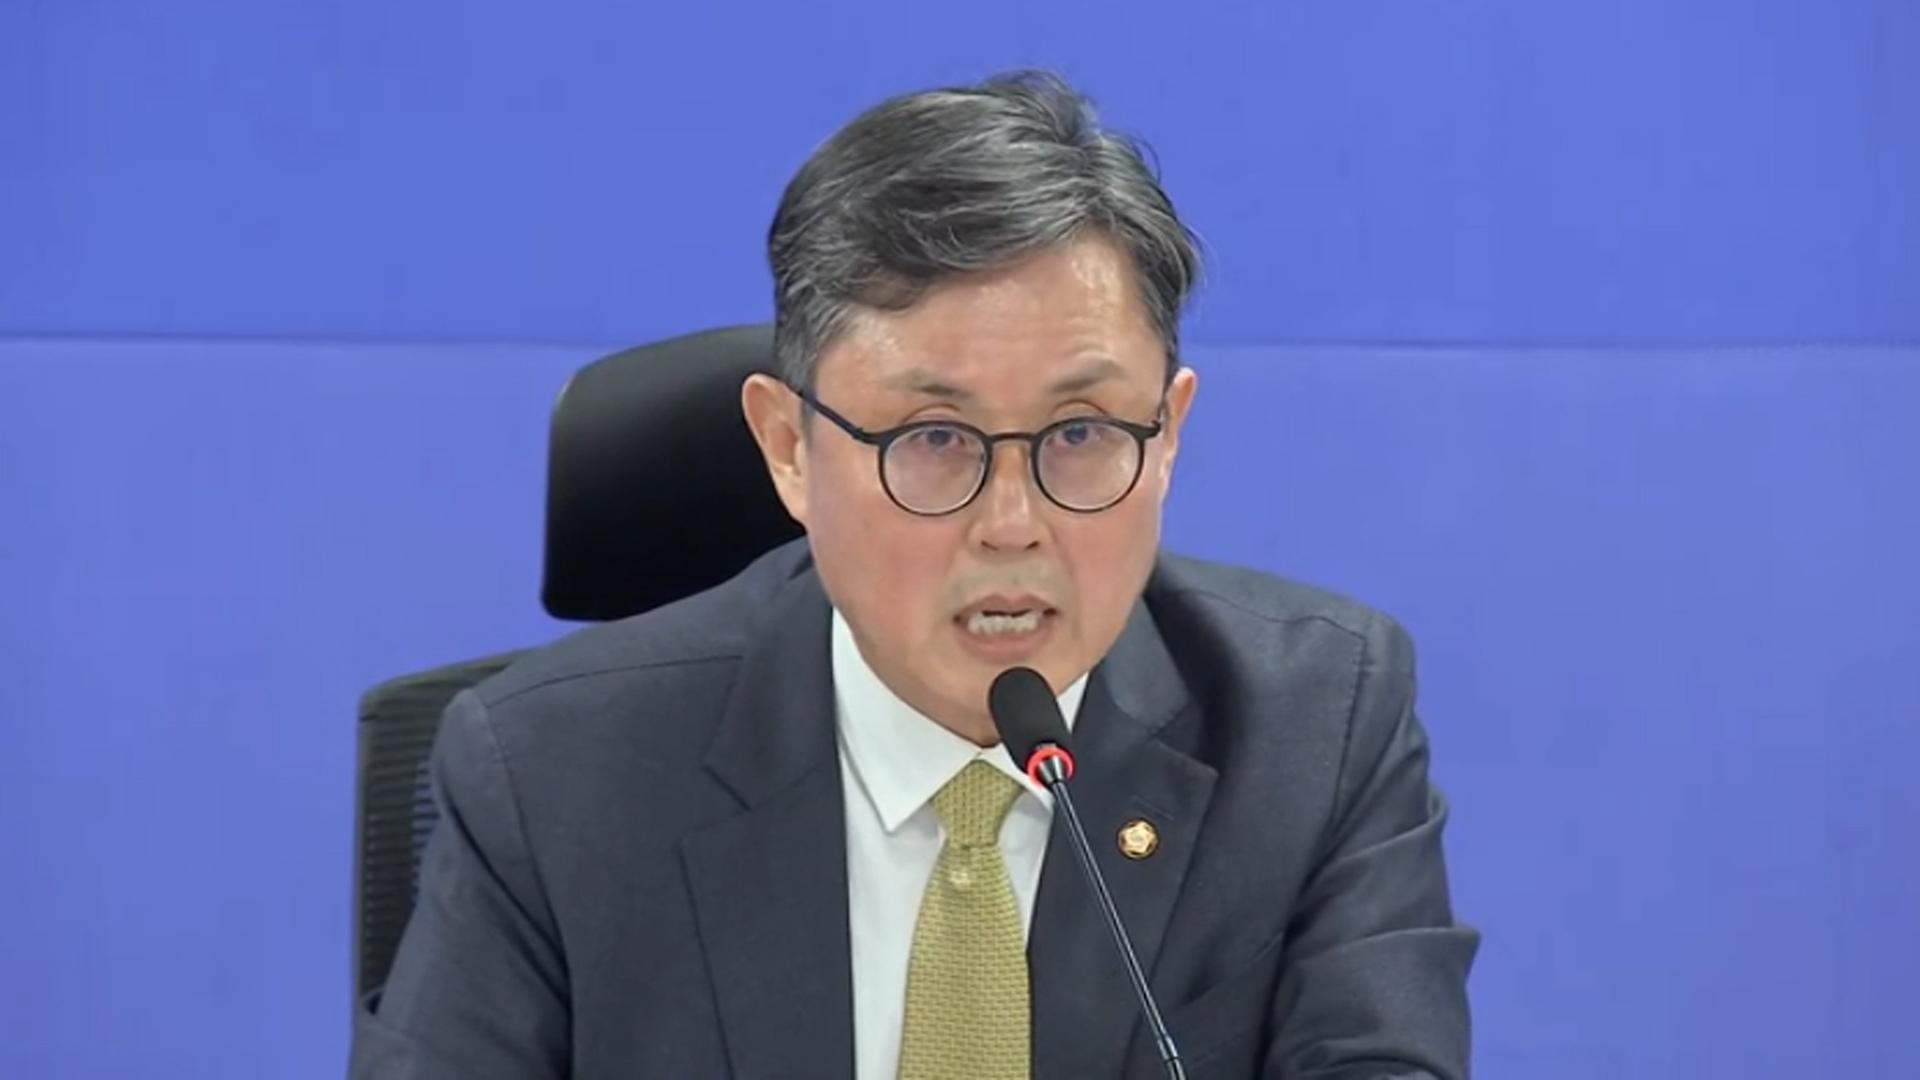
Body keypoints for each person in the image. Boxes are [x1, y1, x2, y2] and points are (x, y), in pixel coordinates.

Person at [351, 71, 1477, 1080]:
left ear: (1168, 433)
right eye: (933, 439)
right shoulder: (552, 777)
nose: (1013, 523)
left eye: (1082, 433)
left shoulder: (1313, 727)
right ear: (789, 449)